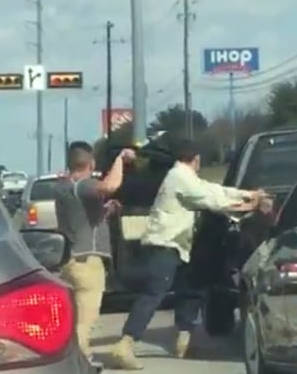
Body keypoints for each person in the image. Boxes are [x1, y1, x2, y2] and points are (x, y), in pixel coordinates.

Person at [109, 139, 269, 370]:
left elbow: (214, 189)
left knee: (189, 285)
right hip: (164, 244)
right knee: (154, 293)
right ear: (196, 160)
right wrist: (250, 204)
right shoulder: (179, 178)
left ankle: (183, 339)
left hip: (176, 246)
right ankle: (125, 344)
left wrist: (249, 194)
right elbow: (212, 200)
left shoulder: (184, 177)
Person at [55, 141, 136, 361]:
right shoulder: (83, 184)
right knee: (87, 316)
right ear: (90, 163)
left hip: (69, 259)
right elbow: (110, 186)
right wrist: (120, 160)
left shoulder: (63, 186)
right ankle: (80, 360)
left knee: (75, 314)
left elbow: (83, 214)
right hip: (87, 261)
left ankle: (75, 355)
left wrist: (105, 210)